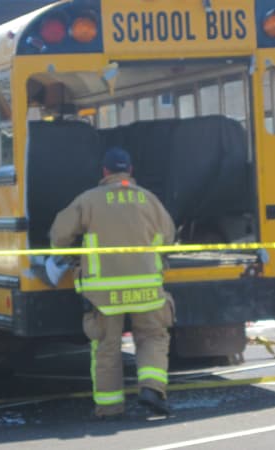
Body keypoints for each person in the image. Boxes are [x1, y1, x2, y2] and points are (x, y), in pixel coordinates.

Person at [49, 147, 176, 418]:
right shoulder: (149, 199)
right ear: (130, 170)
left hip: (103, 293)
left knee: (106, 346)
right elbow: (168, 236)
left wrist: (67, 253)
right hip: (146, 287)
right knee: (152, 337)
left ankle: (109, 407)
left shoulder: (88, 200)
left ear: (105, 171)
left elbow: (59, 235)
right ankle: (152, 389)